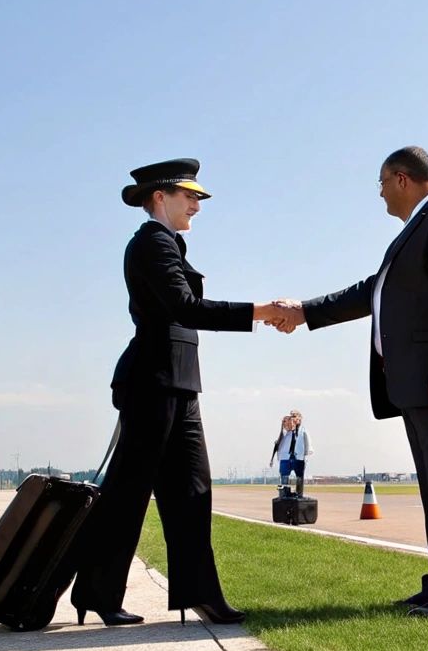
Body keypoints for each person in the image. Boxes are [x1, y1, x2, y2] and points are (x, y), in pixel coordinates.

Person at [266, 147, 428, 617]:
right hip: (419, 385)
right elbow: (373, 291)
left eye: (381, 183)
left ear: (402, 179)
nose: (379, 194)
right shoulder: (416, 231)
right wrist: (305, 312)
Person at [70, 158, 284, 626]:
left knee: (192, 490)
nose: (196, 206)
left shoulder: (169, 243)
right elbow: (185, 307)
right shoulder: (152, 242)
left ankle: (199, 593)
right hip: (152, 382)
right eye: (189, 197)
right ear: (160, 197)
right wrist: (260, 311)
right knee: (129, 493)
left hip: (179, 382)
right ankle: (97, 593)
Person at [270, 410, 312, 496]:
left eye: (294, 417)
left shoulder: (303, 432)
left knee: (299, 476)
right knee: (284, 476)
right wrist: (275, 458)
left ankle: (299, 494)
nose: (292, 420)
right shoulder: (286, 435)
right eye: (290, 418)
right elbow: (280, 447)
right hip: (285, 458)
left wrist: (306, 456)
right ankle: (284, 493)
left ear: (299, 419)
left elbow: (307, 444)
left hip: (298, 458)